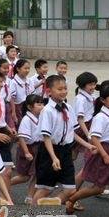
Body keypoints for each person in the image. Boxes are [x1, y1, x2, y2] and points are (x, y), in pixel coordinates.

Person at [66, 82, 109, 214]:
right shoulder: (100, 117)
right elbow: (94, 138)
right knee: (98, 188)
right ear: (103, 100)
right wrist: (105, 156)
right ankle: (71, 199)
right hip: (104, 151)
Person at [33, 75, 91, 205]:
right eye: (59, 89)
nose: (64, 91)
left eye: (65, 88)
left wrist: (88, 145)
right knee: (45, 189)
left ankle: (48, 207)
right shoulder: (47, 111)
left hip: (65, 151)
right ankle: (32, 214)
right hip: (49, 152)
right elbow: (46, 137)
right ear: (49, 91)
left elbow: (72, 132)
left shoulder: (68, 108)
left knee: (70, 189)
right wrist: (53, 157)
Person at [10, 94, 44, 204]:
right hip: (28, 149)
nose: (42, 106)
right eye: (38, 104)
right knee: (24, 177)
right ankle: (4, 183)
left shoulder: (40, 117)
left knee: (36, 174)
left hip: (38, 148)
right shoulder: (27, 119)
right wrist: (26, 152)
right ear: (29, 107)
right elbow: (21, 138)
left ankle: (29, 197)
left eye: (42, 103)